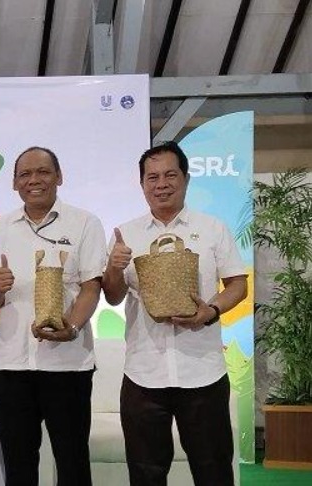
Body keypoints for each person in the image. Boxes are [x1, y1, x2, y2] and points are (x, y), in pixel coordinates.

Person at [101, 141, 248, 486]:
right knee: (145, 473)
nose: (161, 184)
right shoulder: (125, 234)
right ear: (142, 184)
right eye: (152, 177)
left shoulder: (213, 228)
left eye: (170, 175)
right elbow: (113, 296)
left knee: (213, 471)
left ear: (186, 179)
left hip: (203, 372)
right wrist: (113, 267)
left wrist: (211, 311)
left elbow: (238, 285)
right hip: (143, 374)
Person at [0, 147, 106, 486]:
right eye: (25, 174)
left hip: (68, 363)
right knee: (18, 466)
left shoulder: (85, 223)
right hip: (10, 365)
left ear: (59, 177)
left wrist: (73, 326)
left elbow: (92, 287)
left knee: (73, 463)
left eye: (43, 172)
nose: (34, 180)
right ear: (14, 183)